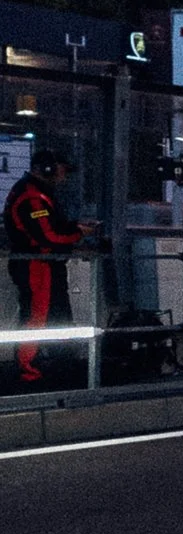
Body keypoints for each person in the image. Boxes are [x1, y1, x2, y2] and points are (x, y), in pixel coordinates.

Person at [6, 148, 83, 387]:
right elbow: (48, 236)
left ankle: (56, 366)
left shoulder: (39, 193)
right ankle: (30, 371)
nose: (64, 176)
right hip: (38, 266)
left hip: (44, 265)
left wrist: (72, 229)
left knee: (55, 316)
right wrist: (78, 233)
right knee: (37, 317)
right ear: (48, 169)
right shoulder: (33, 197)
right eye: (62, 171)